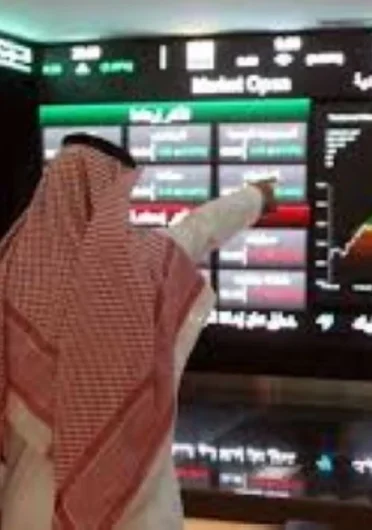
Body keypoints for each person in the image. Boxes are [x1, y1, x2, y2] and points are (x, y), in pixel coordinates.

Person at [0, 134, 275, 528]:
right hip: (134, 506)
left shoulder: (10, 275)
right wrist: (256, 197)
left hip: (29, 510)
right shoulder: (146, 266)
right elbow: (200, 229)